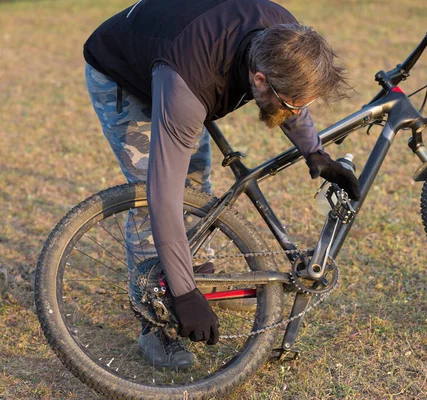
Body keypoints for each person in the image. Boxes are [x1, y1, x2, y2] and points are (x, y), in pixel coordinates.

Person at [83, 0, 361, 370]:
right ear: (259, 79)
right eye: (293, 105)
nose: (297, 112)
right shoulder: (189, 82)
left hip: (181, 55)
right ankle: (157, 319)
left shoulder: (285, 36)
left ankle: (202, 276)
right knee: (158, 190)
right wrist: (183, 295)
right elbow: (162, 195)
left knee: (196, 180)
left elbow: (289, 95)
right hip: (124, 70)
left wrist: (316, 154)